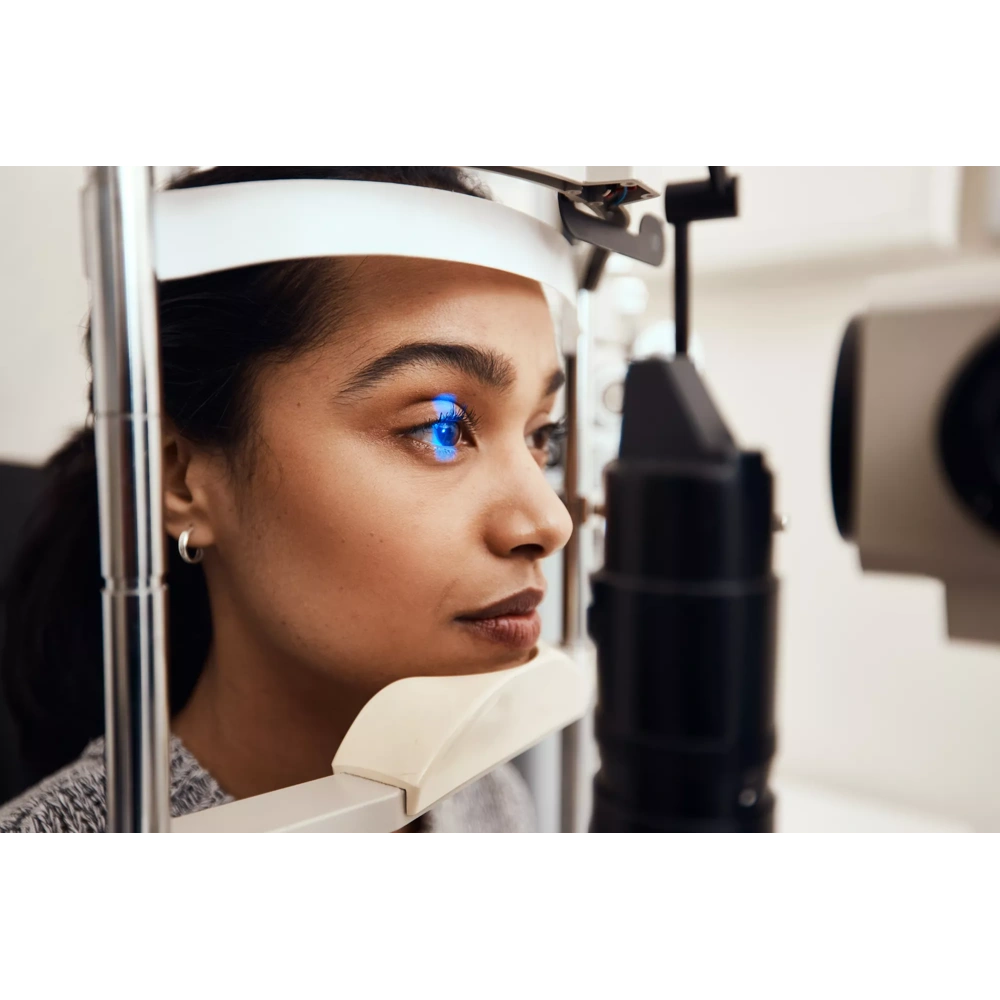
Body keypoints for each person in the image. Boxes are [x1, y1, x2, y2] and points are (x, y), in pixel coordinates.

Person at [0, 162, 573, 836]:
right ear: (179, 479)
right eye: (440, 429)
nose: (548, 521)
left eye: (544, 436)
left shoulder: (489, 802)